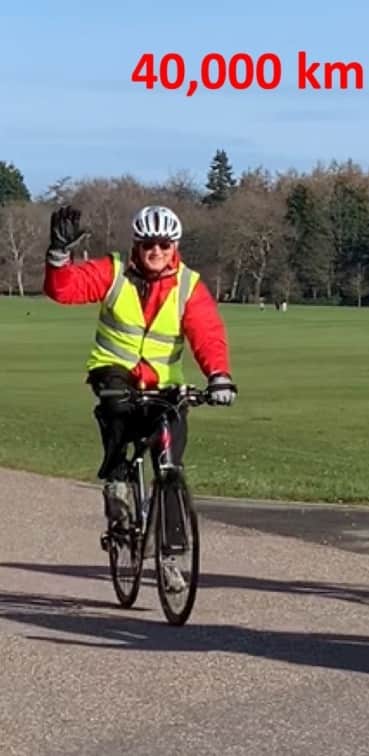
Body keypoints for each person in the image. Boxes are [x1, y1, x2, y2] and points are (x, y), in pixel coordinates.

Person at [43, 204, 237, 582]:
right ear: (137, 244)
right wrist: (58, 254)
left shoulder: (188, 285)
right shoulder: (113, 272)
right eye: (149, 243)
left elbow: (207, 333)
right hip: (114, 373)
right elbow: (63, 290)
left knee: (170, 464)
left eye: (164, 244)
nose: (157, 251)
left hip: (165, 383)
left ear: (175, 246)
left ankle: (170, 557)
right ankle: (117, 484)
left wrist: (219, 377)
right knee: (116, 413)